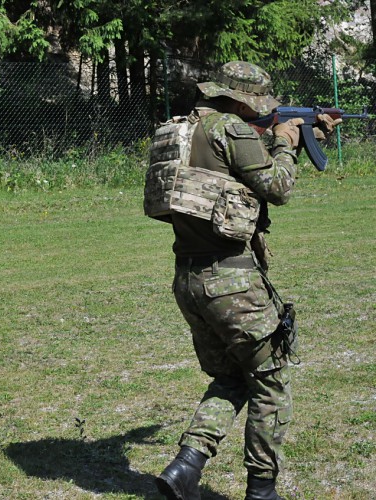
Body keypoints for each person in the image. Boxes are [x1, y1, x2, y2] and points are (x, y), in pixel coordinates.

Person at [144, 61, 340, 499]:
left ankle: (184, 469)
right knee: (270, 381)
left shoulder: (179, 130)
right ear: (237, 98)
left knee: (232, 378)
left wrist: (292, 135)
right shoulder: (232, 129)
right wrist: (288, 143)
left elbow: (225, 178)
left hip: (189, 279)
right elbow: (278, 187)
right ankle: (262, 491)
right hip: (232, 283)